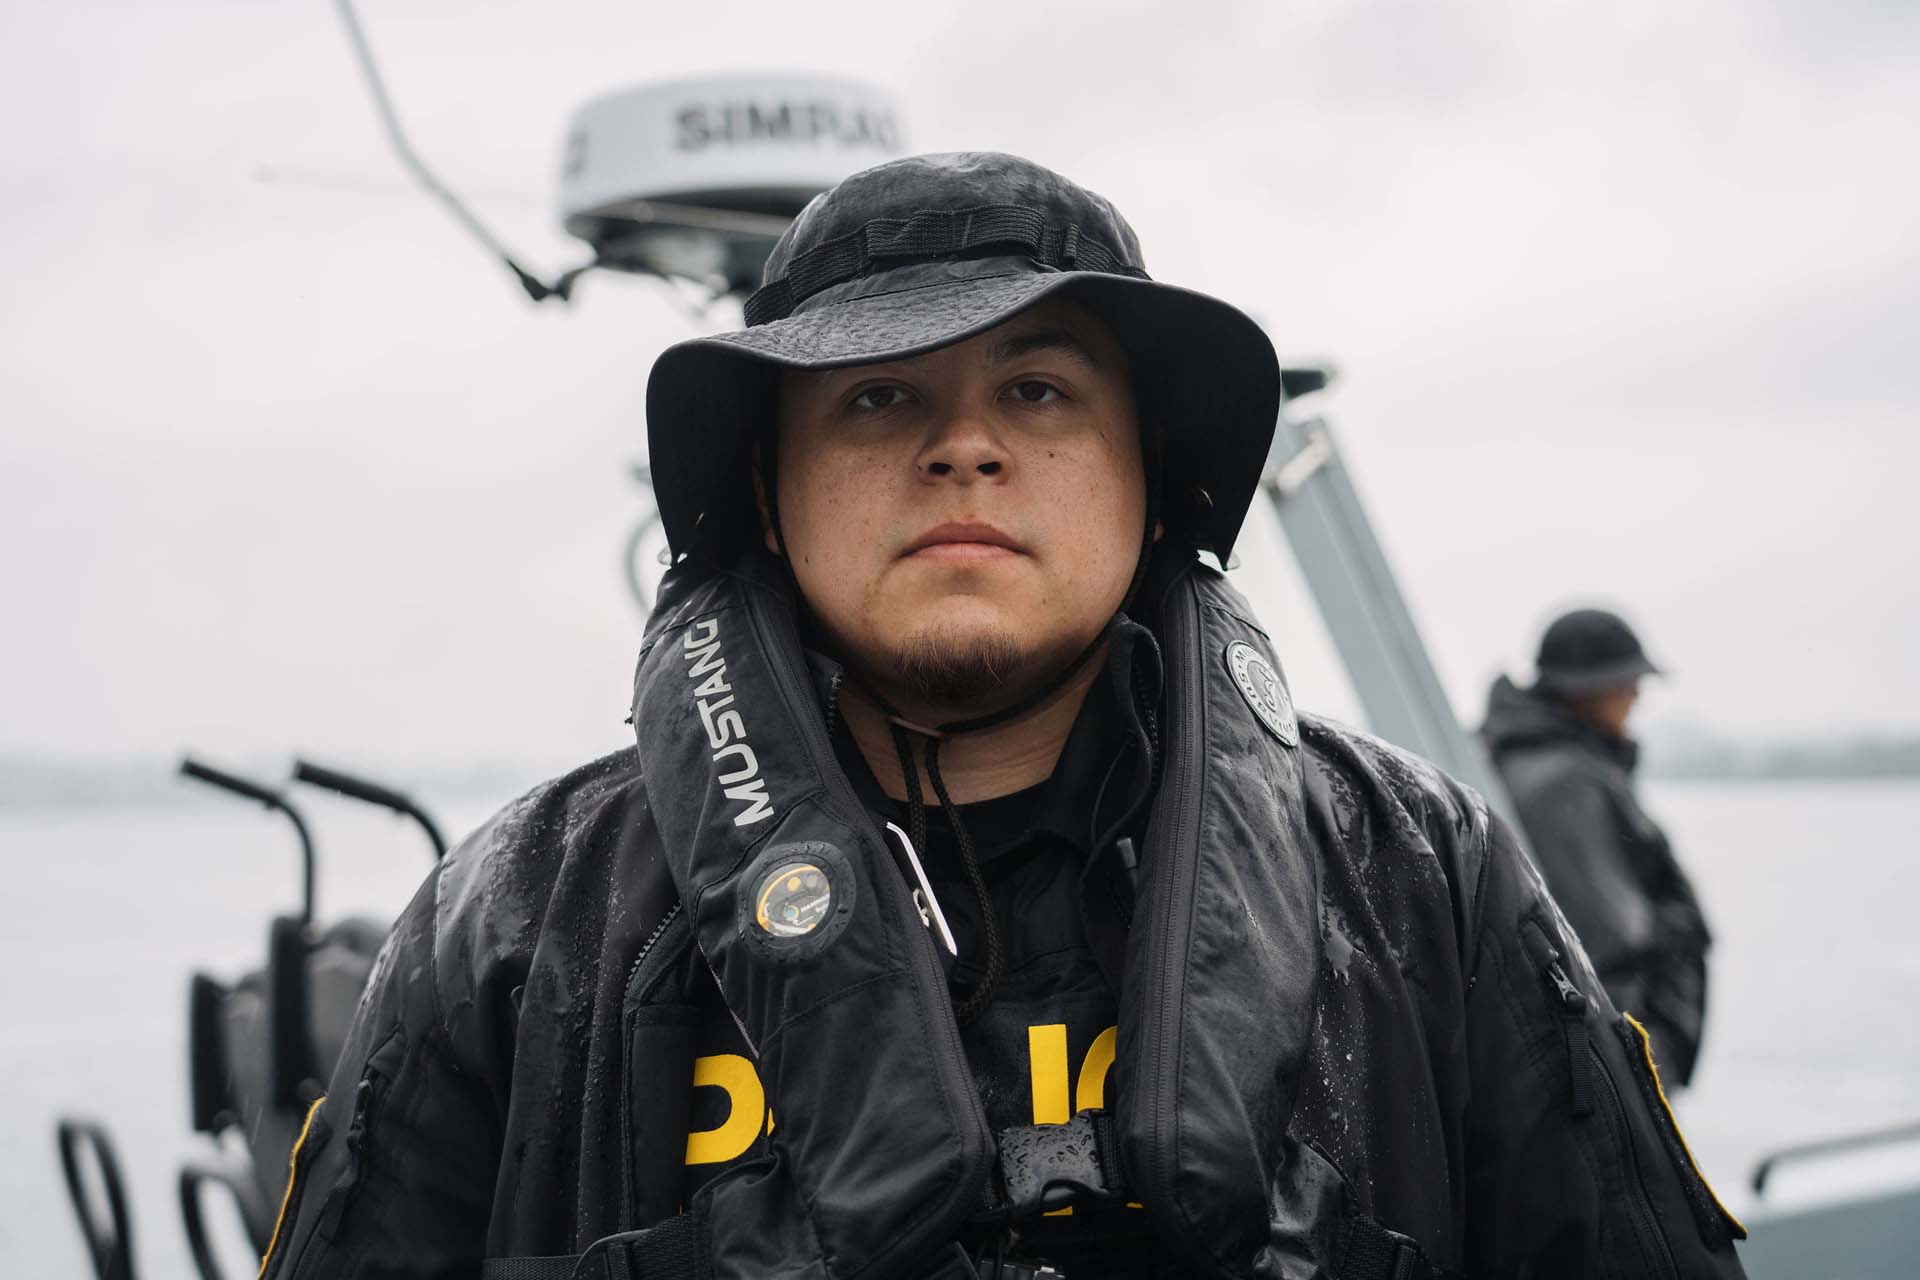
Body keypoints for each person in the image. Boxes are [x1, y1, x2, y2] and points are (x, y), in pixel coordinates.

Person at [260, 154, 1746, 1280]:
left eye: (1037, 389)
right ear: (765, 498)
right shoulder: (520, 929)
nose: (965, 446)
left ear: (1154, 477)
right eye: (877, 399)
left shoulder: (1425, 880)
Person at [1482, 608, 1714, 1089]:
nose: (1637, 696)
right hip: (1608, 1059)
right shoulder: (1566, 783)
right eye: (1628, 682)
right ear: (1588, 690)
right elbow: (1604, 943)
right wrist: (1644, 1069)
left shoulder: (1524, 761)